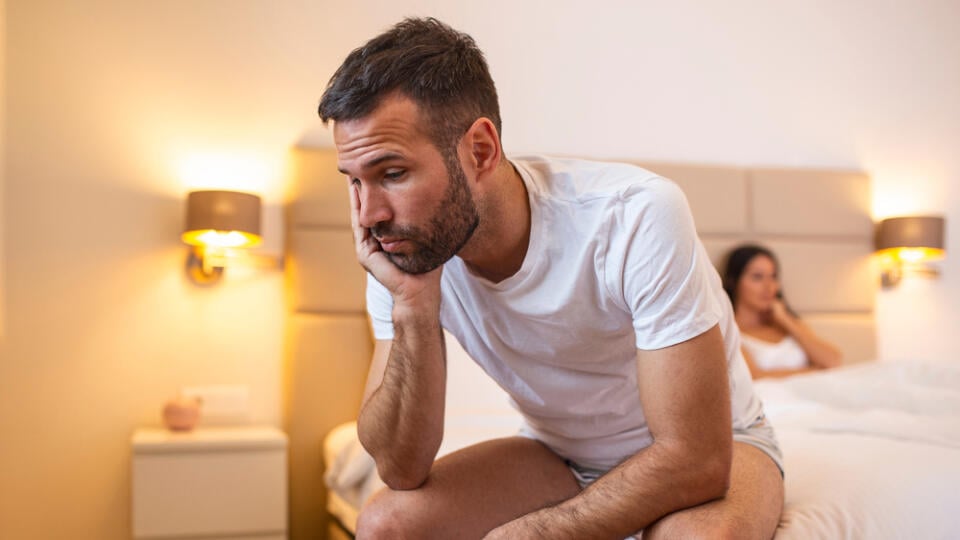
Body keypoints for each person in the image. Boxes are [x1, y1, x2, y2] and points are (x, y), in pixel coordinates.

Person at [318, 17, 784, 539]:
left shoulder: (633, 215)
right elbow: (400, 468)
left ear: (480, 150)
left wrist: (535, 532)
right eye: (354, 182)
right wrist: (413, 307)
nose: (368, 214)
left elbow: (695, 459)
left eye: (393, 173)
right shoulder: (403, 244)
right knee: (386, 524)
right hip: (558, 456)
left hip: (721, 444)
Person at [721, 244, 843, 379]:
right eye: (757, 277)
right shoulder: (729, 331)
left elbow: (833, 362)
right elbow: (754, 377)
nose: (769, 286)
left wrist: (785, 321)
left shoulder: (787, 323)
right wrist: (815, 370)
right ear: (734, 281)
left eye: (773, 276)